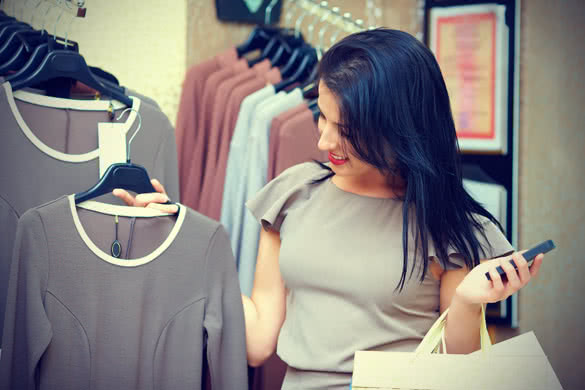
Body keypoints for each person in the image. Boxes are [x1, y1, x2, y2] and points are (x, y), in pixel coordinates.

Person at [114, 28, 544, 390]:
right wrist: (182, 241)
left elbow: (457, 373)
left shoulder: (450, 223)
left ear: (399, 127)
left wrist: (468, 303)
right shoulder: (294, 192)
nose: (323, 142)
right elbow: (259, 338)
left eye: (347, 131)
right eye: (322, 117)